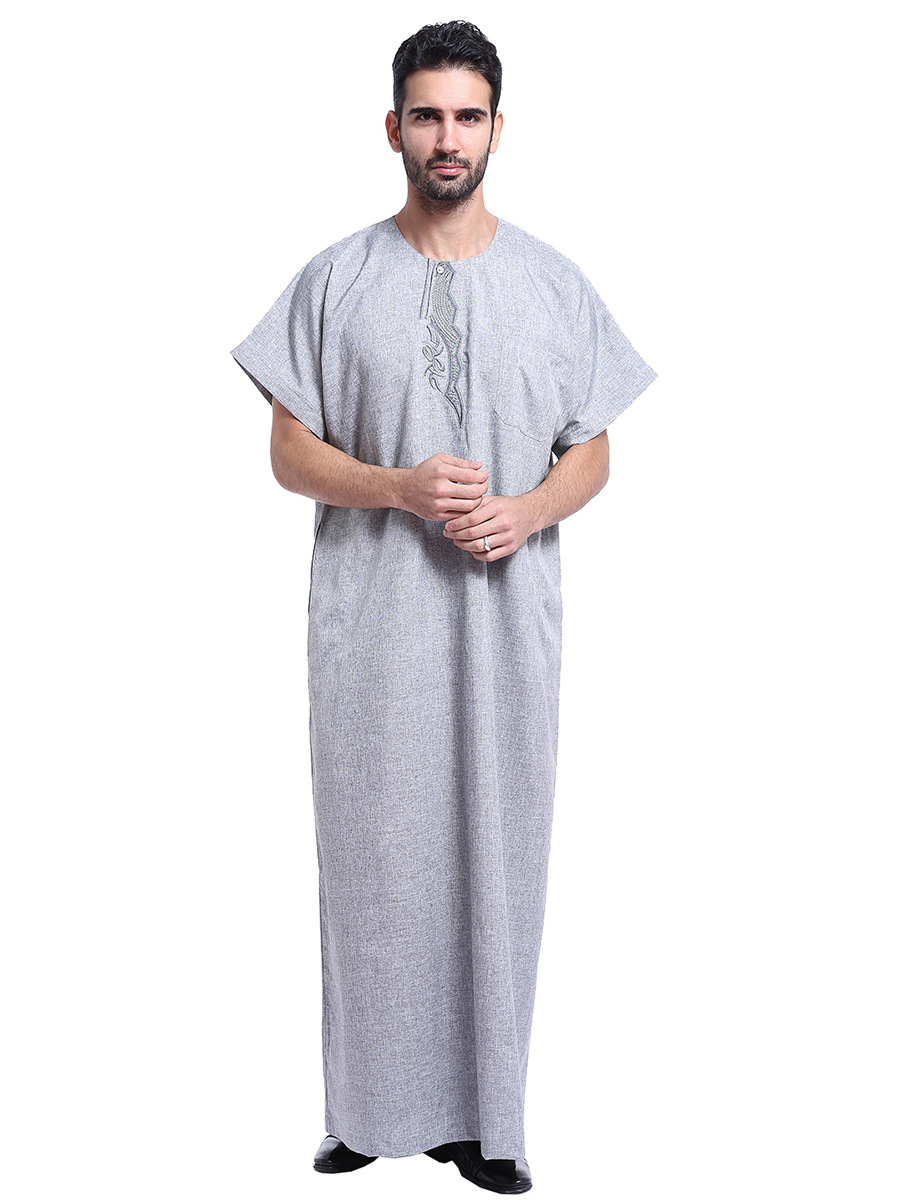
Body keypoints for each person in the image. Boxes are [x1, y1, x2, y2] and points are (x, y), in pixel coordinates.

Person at [229, 19, 657, 1195]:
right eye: (427, 115)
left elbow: (594, 449)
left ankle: (486, 1123)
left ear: (499, 129)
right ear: (393, 128)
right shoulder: (335, 281)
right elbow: (287, 453)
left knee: (496, 863)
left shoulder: (554, 284)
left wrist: (527, 510)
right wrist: (399, 489)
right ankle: (366, 1113)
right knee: (372, 868)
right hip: (372, 633)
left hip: (506, 633)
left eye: (468, 115)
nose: (447, 137)